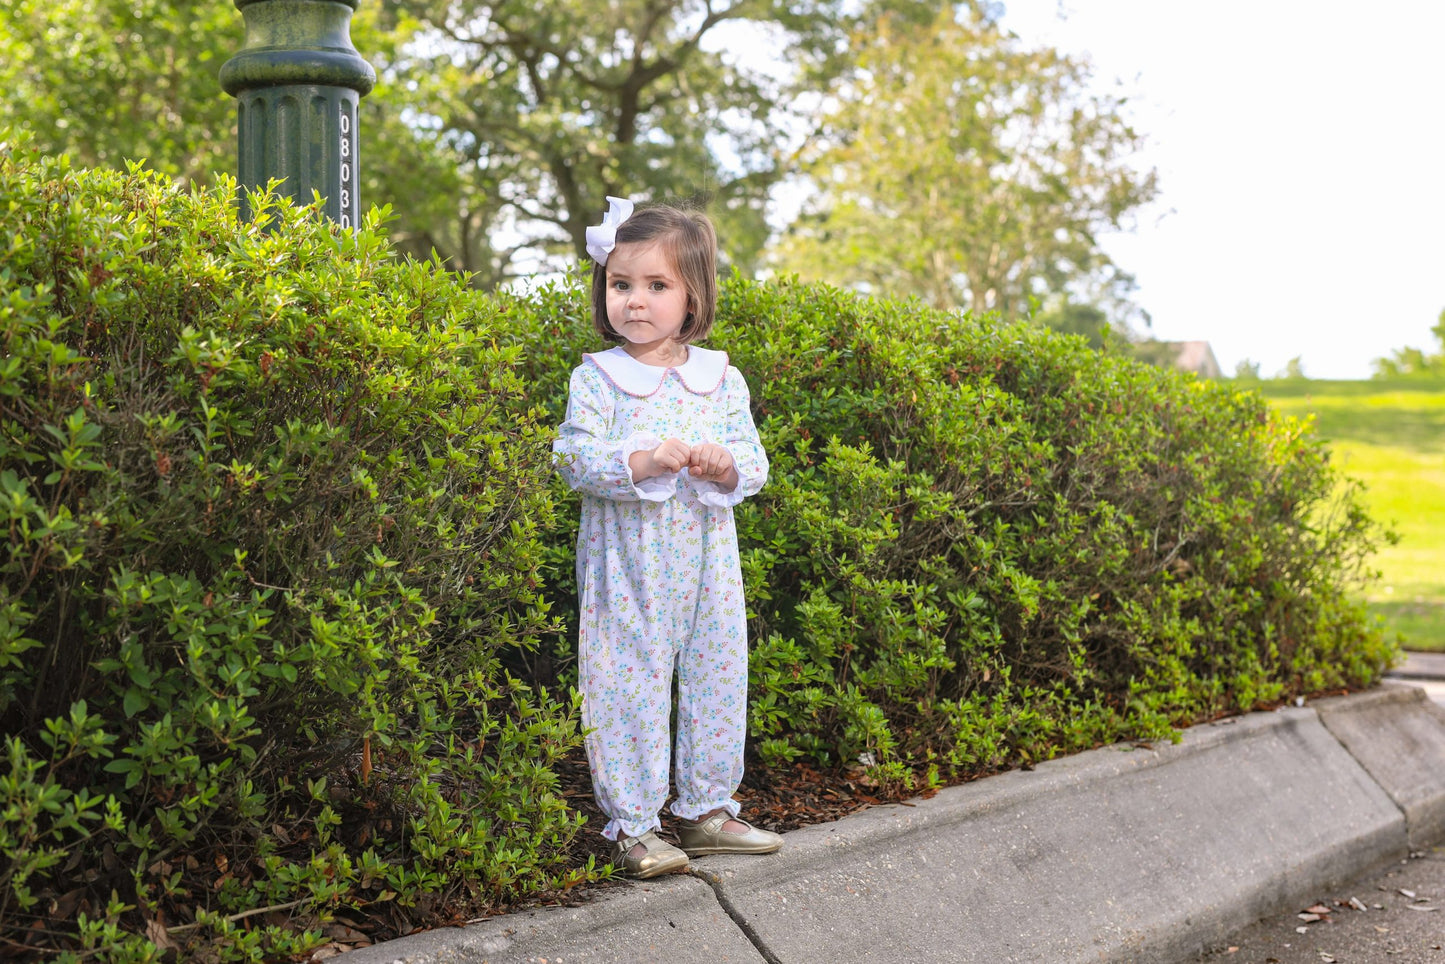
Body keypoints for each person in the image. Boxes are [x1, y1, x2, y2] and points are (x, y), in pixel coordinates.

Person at [553, 196, 782, 878]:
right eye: (621, 285)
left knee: (717, 676)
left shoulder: (720, 379)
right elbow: (571, 457)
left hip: (708, 565)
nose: (635, 301)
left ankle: (706, 809)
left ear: (692, 296)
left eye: (656, 286)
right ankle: (633, 824)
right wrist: (642, 461)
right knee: (627, 685)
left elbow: (754, 460)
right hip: (628, 567)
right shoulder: (598, 380)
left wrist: (725, 465)